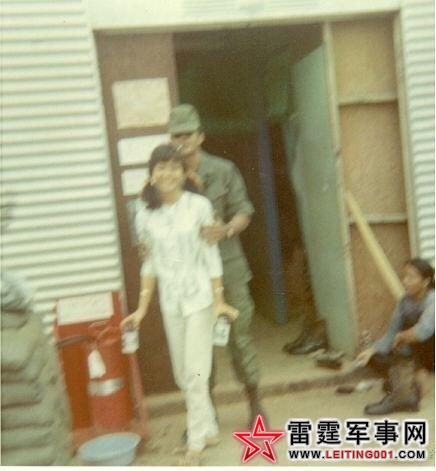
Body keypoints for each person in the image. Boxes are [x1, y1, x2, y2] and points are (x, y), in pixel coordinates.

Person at [121, 144, 238, 466]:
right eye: (161, 167)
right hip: (171, 301)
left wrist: (219, 300)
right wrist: (142, 309)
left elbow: (211, 255)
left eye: (174, 167)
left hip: (199, 298)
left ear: (184, 173)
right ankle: (209, 429)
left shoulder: (199, 206)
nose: (168, 173)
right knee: (182, 374)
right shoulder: (144, 214)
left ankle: (195, 443)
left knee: (195, 374)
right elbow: (149, 264)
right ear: (151, 173)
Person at [168, 103, 264, 426]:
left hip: (228, 268)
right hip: (190, 273)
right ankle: (204, 413)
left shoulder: (223, 170)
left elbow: (244, 210)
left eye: (188, 134)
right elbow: (149, 213)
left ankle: (255, 402)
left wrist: (227, 229)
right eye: (176, 135)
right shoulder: (166, 176)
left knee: (240, 337)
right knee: (197, 345)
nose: (183, 140)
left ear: (201, 136)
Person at [355, 257, 434, 415]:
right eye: (404, 276)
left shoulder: (433, 299)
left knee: (405, 339)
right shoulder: (404, 302)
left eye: (411, 277)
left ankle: (414, 382)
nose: (405, 281)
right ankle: (406, 385)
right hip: (415, 350)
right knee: (373, 356)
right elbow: (392, 332)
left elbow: (424, 331)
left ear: (426, 282)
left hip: (431, 350)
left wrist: (402, 337)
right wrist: (372, 350)